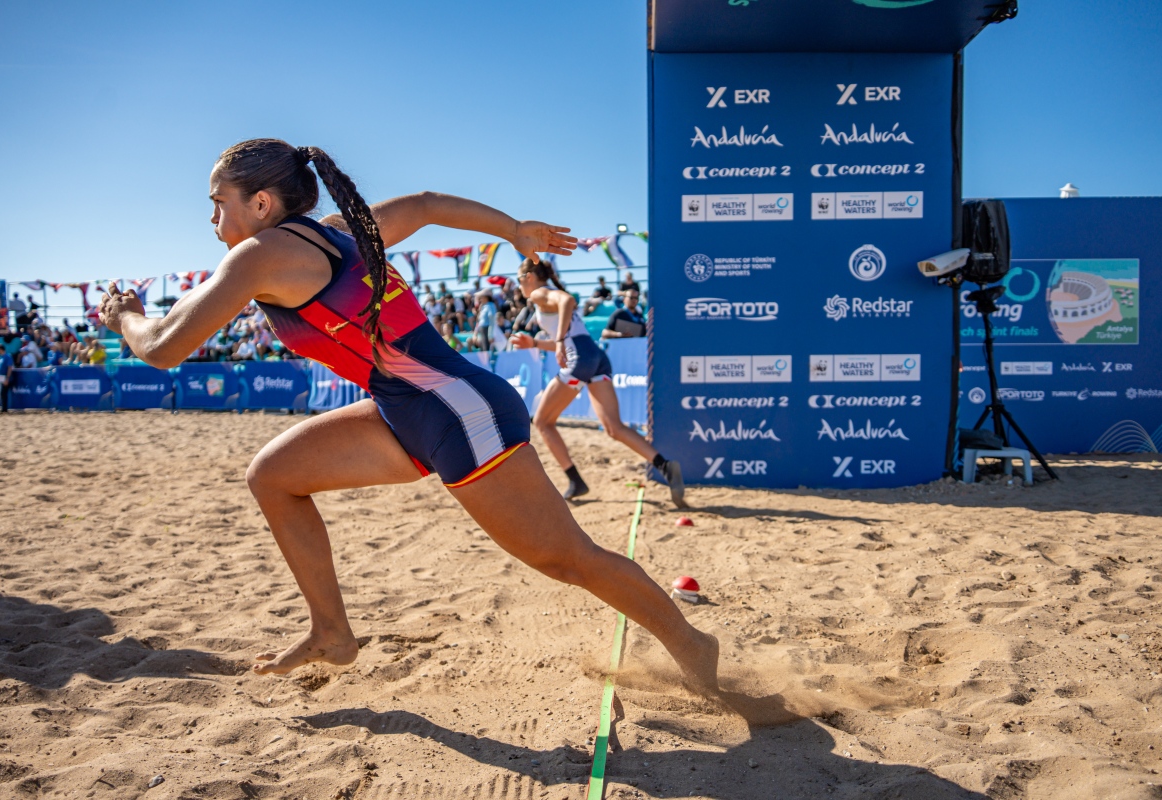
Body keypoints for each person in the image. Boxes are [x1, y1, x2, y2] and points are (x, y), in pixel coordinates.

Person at [97, 138, 718, 691]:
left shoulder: (258, 255)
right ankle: (331, 634)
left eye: (219, 201)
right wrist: (512, 230)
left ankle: (694, 645)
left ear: (261, 204)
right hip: (407, 407)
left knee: (566, 559)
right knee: (274, 476)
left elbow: (162, 346)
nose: (211, 218)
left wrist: (123, 313)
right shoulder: (339, 231)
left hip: (458, 409)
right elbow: (422, 205)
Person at [510, 258, 686, 506]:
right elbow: (574, 337)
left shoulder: (540, 292)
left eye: (519, 282)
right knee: (614, 427)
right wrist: (537, 343)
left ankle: (575, 481)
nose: (520, 288)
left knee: (542, 421)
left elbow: (568, 301)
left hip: (580, 359)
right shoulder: (545, 295)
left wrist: (558, 340)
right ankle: (665, 466)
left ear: (529, 277)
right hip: (595, 356)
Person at [0, 344, 12, 412]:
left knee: (4, 393)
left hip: (5, 377)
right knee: (2, 393)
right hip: (1, 377)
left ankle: (4, 408)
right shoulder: (1, 357)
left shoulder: (7, 357)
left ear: (0, 349)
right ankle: (3, 408)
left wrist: (7, 378)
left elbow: (9, 368)